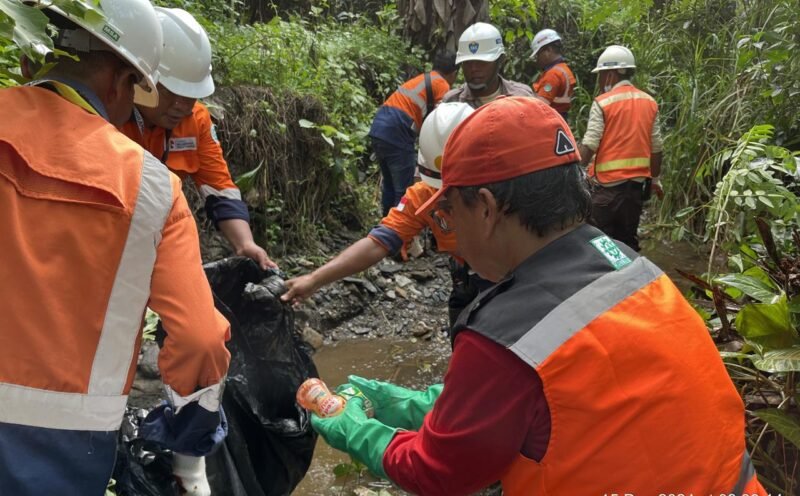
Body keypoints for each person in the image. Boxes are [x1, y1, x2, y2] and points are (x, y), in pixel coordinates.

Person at [310, 97, 766, 495]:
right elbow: (552, 395)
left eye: (449, 212)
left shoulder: (504, 332)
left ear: (486, 209)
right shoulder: (626, 263)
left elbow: (438, 471)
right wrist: (406, 403)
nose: (448, 229)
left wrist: (353, 427)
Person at [0, 1, 231, 494]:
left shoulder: (190, 132)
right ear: (122, 82)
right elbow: (200, 340)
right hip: (65, 447)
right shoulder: (151, 186)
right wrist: (190, 459)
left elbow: (221, 187)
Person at [282, 102, 489, 326]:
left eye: (457, 190)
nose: (446, 198)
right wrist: (313, 280)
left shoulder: (508, 187)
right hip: (467, 273)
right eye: (441, 190)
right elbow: (378, 242)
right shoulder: (422, 196)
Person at [120, 8, 276, 269]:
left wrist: (244, 243)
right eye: (171, 92)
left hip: (156, 237)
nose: (181, 105)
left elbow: (219, 186)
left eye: (190, 94)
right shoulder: (108, 115)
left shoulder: (197, 120)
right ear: (143, 79)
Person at [579, 44, 663, 252]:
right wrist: (655, 180)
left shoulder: (603, 103)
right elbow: (657, 148)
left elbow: (590, 143)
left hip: (605, 190)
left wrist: (575, 172)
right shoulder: (649, 102)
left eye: (601, 75)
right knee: (628, 243)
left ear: (610, 74)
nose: (600, 81)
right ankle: (633, 281)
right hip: (634, 192)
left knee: (599, 245)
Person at [369, 52, 458, 216]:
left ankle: (386, 225)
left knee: (389, 184)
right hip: (397, 129)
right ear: (454, 73)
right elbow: (442, 122)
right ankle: (399, 234)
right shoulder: (442, 86)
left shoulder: (422, 79)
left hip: (379, 126)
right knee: (403, 189)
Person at [442, 22, 534, 108]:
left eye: (481, 62)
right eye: (467, 62)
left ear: (500, 60)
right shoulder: (452, 103)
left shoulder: (522, 98)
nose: (473, 68)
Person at [529, 28, 576, 119]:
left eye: (538, 54)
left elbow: (540, 105)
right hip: (561, 119)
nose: (537, 59)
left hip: (550, 120)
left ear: (548, 50)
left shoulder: (553, 75)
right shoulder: (564, 69)